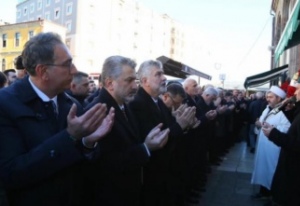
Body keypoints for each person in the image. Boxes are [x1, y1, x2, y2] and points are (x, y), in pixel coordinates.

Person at [0, 32, 115, 206]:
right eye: (67, 64)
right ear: (43, 71)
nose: (75, 70)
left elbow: (81, 167)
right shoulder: (5, 104)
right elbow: (10, 174)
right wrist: (70, 136)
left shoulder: (71, 103)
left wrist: (88, 142)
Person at [86, 56, 169, 206]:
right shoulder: (97, 111)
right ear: (110, 83)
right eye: (129, 80)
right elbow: (104, 164)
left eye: (135, 81)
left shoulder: (125, 106)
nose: (135, 86)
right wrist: (146, 148)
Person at [129, 60, 196, 206]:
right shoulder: (137, 104)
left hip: (165, 171)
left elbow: (168, 127)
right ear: (145, 80)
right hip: (151, 175)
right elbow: (155, 140)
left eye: (163, 74)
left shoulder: (157, 102)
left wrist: (180, 122)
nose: (164, 78)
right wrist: (180, 125)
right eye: (158, 74)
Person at [262, 74, 300, 206]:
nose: (296, 92)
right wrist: (288, 110)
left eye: (298, 89)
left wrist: (274, 134)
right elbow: (298, 127)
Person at [251, 86, 291, 200]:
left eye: (271, 97)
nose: (268, 99)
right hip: (264, 146)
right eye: (267, 97)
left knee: (271, 170)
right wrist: (259, 123)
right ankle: (263, 192)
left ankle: (272, 195)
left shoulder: (285, 112)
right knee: (263, 168)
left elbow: (287, 128)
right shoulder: (268, 108)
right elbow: (263, 121)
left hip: (274, 147)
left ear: (279, 98)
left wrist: (269, 128)